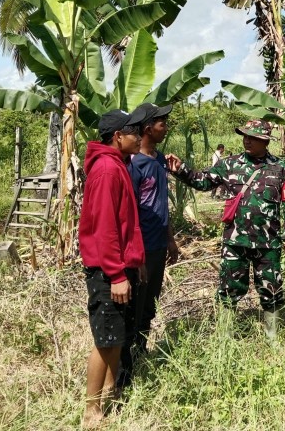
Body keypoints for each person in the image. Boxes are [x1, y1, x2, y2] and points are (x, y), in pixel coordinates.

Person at [166, 120, 285, 339]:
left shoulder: (281, 168)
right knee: (229, 289)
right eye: (244, 136)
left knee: (271, 289)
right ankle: (225, 338)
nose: (247, 140)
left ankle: (272, 338)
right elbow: (203, 181)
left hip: (268, 243)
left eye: (252, 137)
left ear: (265, 140)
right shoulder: (229, 165)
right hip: (235, 242)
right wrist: (181, 169)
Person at [79, 108, 146, 429]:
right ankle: (91, 411)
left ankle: (110, 393)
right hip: (108, 272)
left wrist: (135, 263)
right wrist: (118, 275)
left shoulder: (117, 164)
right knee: (106, 339)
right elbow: (106, 228)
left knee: (117, 337)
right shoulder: (107, 169)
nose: (139, 138)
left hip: (121, 267)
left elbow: (125, 224)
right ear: (118, 136)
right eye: (134, 133)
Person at [118, 103, 179, 389]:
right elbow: (128, 214)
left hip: (158, 246)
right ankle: (125, 371)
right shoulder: (133, 166)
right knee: (134, 307)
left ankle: (140, 353)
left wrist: (170, 239)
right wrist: (136, 254)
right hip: (140, 251)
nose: (165, 128)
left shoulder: (159, 161)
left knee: (149, 306)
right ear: (147, 129)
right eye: (162, 123)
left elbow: (161, 204)